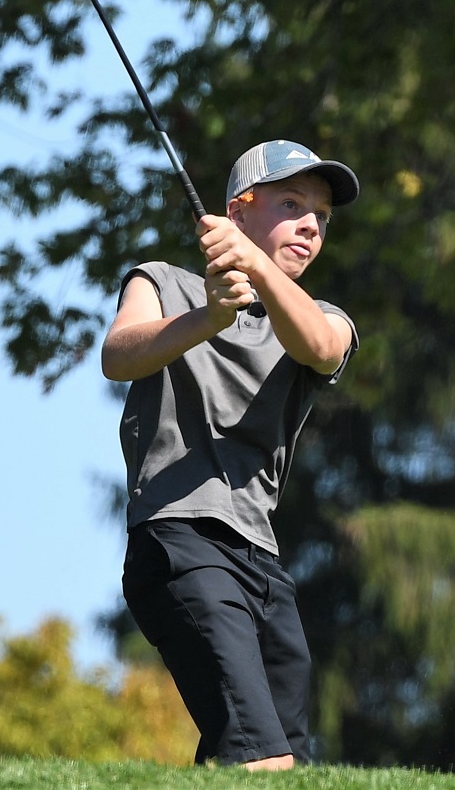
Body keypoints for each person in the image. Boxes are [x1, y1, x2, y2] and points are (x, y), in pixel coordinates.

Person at [102, 139, 360, 770]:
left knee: (278, 763)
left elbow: (322, 347)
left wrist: (257, 271)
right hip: (179, 539)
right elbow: (118, 355)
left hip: (262, 561)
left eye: (322, 216)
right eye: (292, 204)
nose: (310, 225)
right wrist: (209, 318)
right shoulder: (162, 282)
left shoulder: (322, 316)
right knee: (261, 758)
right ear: (237, 213)